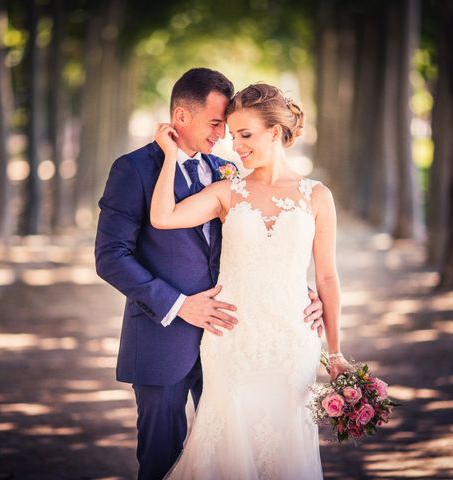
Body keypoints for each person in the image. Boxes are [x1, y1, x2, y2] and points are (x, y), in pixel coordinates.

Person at [95, 68, 325, 480]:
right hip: (163, 337)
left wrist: (298, 289)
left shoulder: (227, 172)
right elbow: (111, 256)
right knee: (162, 460)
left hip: (234, 340)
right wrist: (179, 305)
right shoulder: (133, 169)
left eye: (233, 128)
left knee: (234, 459)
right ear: (181, 117)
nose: (225, 137)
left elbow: (250, 242)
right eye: (217, 123)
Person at [150, 83, 352, 479]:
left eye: (245, 135)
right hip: (232, 340)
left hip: (292, 342)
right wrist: (169, 156)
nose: (235, 147)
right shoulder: (227, 191)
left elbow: (326, 275)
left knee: (284, 445)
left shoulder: (316, 196)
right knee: (227, 442)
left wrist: (337, 351)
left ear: (274, 133)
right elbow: (163, 217)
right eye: (232, 136)